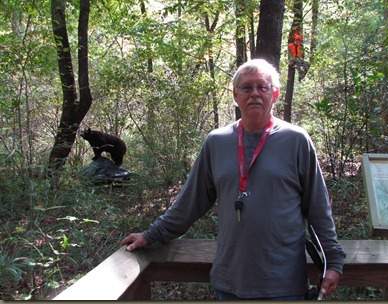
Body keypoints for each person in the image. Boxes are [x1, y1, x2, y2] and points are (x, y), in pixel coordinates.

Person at [121, 59, 345, 300]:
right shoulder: (217, 142)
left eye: (263, 87)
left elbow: (318, 207)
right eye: (247, 88)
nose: (255, 94)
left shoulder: (296, 140)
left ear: (275, 94)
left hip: (284, 283)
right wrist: (151, 235)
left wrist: (332, 261)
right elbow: (190, 203)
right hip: (230, 283)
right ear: (235, 95)